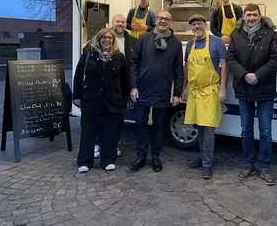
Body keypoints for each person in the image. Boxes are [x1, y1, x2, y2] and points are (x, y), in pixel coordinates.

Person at [225, 3, 277, 186]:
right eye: (248, 15)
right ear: (243, 16)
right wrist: (244, 75)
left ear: (260, 16)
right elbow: (231, 58)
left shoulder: (270, 34)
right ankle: (248, 164)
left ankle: (265, 168)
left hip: (264, 88)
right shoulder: (236, 35)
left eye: (255, 15)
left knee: (265, 131)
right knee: (246, 130)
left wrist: (258, 76)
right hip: (244, 88)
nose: (251, 18)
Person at [128, 10, 183, 173]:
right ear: (156, 20)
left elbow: (178, 69)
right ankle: (141, 156)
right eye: (160, 18)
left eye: (166, 19)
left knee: (159, 126)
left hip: (163, 90)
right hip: (142, 90)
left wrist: (177, 93)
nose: (163, 21)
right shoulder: (144, 39)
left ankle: (156, 157)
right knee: (140, 125)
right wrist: (133, 86)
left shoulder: (176, 44)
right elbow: (134, 63)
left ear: (170, 22)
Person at [73, 28, 130, 173]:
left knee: (110, 132)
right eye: (104, 37)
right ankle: (84, 161)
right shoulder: (88, 55)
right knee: (88, 132)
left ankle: (108, 161)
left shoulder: (119, 57)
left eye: (110, 38)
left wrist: (124, 99)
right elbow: (79, 75)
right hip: (91, 99)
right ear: (98, 39)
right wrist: (76, 96)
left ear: (113, 41)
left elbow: (125, 80)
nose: (107, 40)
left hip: (112, 101)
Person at [182, 14, 227, 180]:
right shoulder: (190, 45)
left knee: (208, 129)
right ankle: (202, 157)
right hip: (194, 92)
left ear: (204, 25)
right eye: (193, 25)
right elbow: (187, 67)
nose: (196, 27)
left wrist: (222, 89)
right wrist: (184, 88)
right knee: (199, 127)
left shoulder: (216, 42)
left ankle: (207, 164)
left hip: (210, 91)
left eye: (199, 24)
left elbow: (224, 67)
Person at [93, 14, 137, 159]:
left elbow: (135, 66)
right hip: (102, 87)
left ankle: (113, 144)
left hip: (122, 87)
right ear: (112, 22)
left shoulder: (133, 41)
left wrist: (132, 86)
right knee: (100, 117)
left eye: (123, 22)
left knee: (118, 118)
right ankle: (98, 144)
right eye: (118, 21)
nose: (120, 24)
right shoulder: (102, 37)